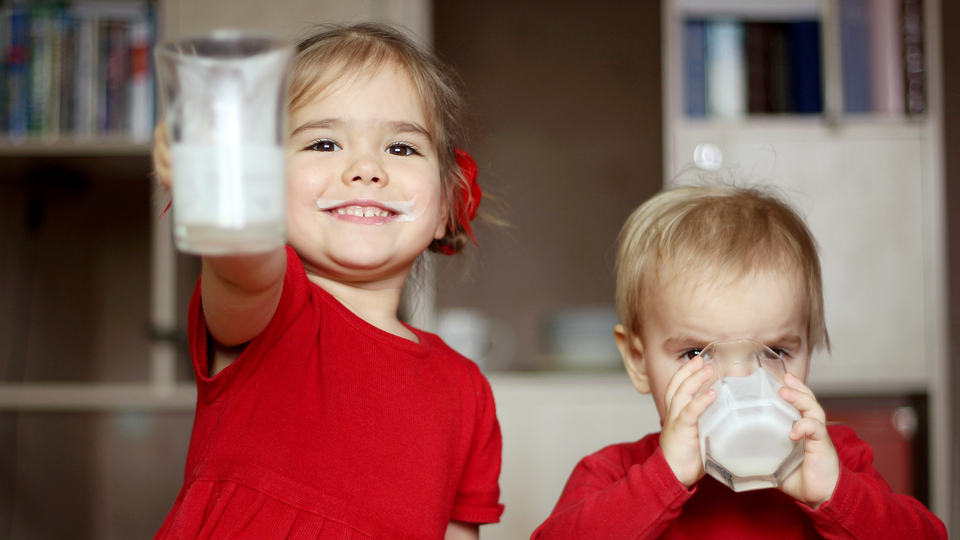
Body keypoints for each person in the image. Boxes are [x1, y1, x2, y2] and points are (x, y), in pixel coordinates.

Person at [151, 23, 503, 540]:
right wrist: (220, 190)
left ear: (448, 205)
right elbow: (243, 263)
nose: (365, 168)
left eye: (401, 149)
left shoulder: (466, 389)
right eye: (323, 142)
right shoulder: (271, 309)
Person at [531, 185, 947, 539]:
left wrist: (835, 494)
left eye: (777, 352)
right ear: (639, 361)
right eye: (695, 353)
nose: (741, 381)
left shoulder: (840, 463)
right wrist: (662, 481)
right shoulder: (613, 474)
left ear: (810, 349)